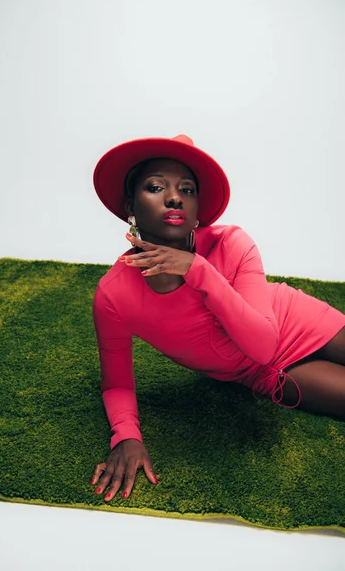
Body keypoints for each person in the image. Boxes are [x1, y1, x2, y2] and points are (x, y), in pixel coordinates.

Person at [90, 134, 345, 503]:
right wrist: (127, 437)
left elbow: (264, 340)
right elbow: (117, 385)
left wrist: (199, 270)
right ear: (130, 203)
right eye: (156, 187)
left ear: (196, 210)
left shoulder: (232, 243)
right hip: (260, 372)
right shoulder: (113, 295)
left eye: (187, 189)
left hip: (295, 322)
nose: (175, 197)